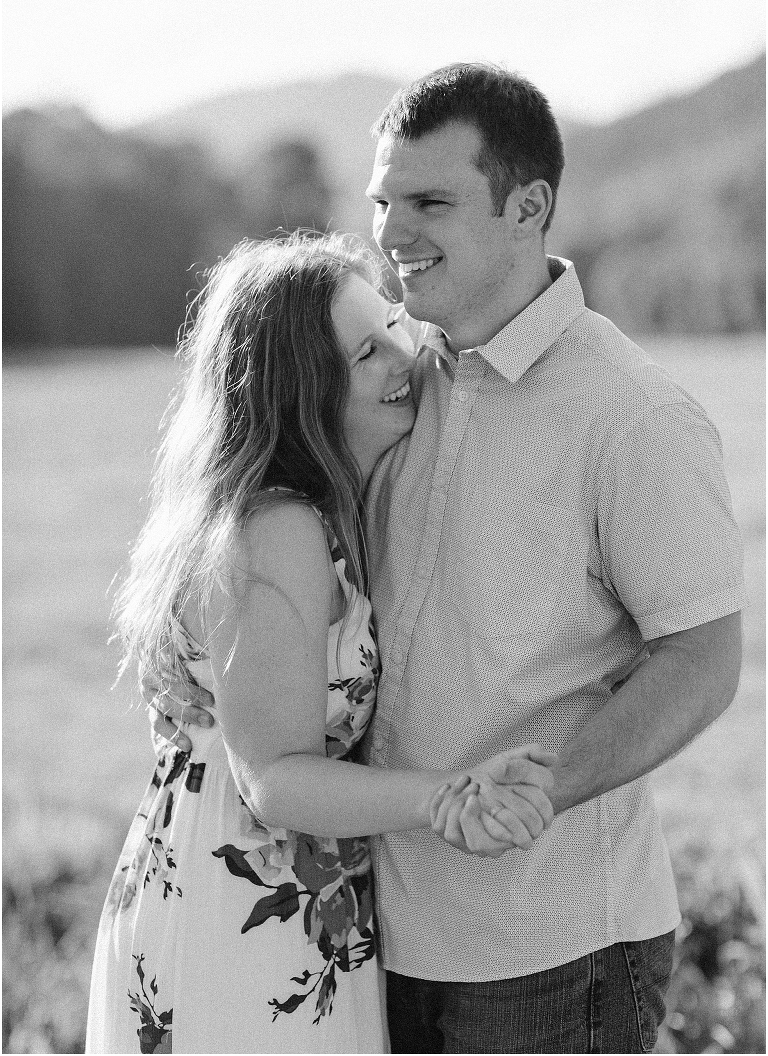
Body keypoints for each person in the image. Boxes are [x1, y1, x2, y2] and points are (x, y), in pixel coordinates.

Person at [149, 65, 746, 1054]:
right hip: (379, 938)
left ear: (529, 207)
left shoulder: (630, 415)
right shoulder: (392, 386)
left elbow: (703, 658)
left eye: (431, 201)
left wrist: (539, 793)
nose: (392, 231)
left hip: (551, 944)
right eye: (384, 200)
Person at [86, 231, 557, 1055]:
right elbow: (272, 777)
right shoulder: (279, 528)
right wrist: (449, 795)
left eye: (392, 330)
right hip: (238, 934)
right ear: (300, 388)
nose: (401, 358)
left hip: (259, 915)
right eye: (365, 352)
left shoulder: (313, 510)